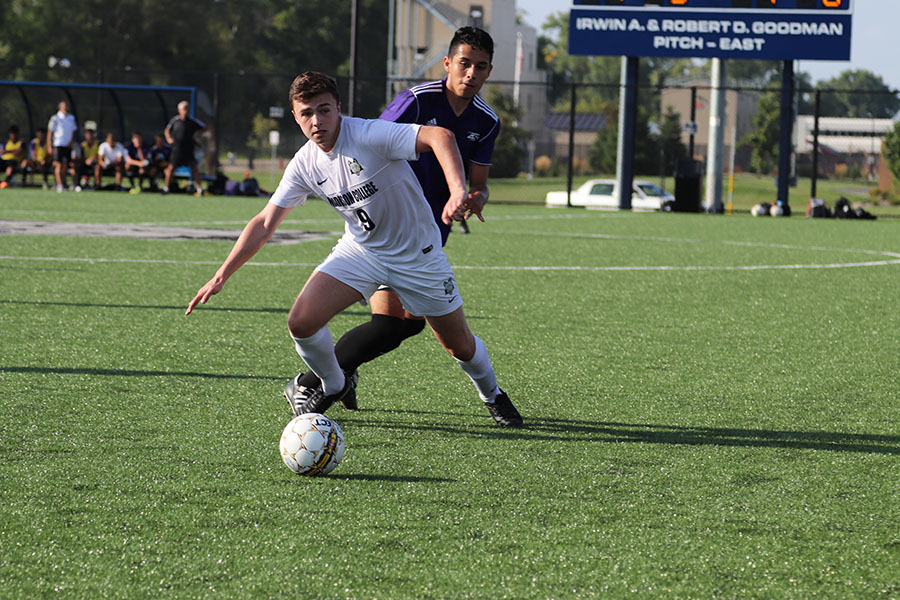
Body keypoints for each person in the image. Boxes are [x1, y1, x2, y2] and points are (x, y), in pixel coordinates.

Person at [186, 71, 522, 428]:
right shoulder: (304, 162)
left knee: (460, 347)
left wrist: (458, 190)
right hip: (362, 251)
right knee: (301, 322)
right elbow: (266, 222)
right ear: (295, 117)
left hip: (418, 256)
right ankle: (334, 383)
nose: (317, 121)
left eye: (324, 110)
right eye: (306, 113)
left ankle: (493, 395)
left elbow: (440, 136)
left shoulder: (369, 134)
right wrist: (222, 275)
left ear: (339, 108)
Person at [289, 26, 503, 414]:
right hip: (384, 232)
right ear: (448, 63)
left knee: (402, 326)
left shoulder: (486, 121)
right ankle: (312, 382)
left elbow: (481, 184)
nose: (471, 73)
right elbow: (372, 143)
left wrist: (474, 196)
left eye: (481, 66)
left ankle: (333, 376)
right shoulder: (416, 100)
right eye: (464, 63)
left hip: (429, 232)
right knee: (393, 324)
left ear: (489, 71)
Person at [163, 100, 205, 195]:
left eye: (187, 109)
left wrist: (198, 137)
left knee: (194, 168)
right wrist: (169, 139)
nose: (185, 111)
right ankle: (166, 188)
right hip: (177, 149)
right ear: (179, 110)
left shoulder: (191, 122)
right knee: (171, 168)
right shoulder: (175, 120)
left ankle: (200, 189)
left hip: (188, 149)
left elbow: (204, 128)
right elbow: (167, 130)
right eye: (183, 109)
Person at [48, 100, 78, 192]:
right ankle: (59, 185)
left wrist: (71, 142)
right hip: (58, 144)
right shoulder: (55, 118)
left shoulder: (71, 118)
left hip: (67, 145)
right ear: (59, 107)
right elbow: (50, 133)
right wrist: (49, 146)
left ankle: (65, 183)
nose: (65, 108)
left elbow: (73, 132)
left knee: (66, 165)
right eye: (63, 106)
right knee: (58, 165)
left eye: (66, 106)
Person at [76, 125, 101, 189]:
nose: (89, 136)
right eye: (87, 134)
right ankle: (78, 184)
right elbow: (81, 156)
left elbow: (100, 154)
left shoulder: (98, 144)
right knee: (78, 166)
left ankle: (97, 185)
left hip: (95, 162)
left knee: (97, 167)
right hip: (85, 162)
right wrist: (86, 160)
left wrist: (92, 158)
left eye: (90, 134)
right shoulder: (83, 145)